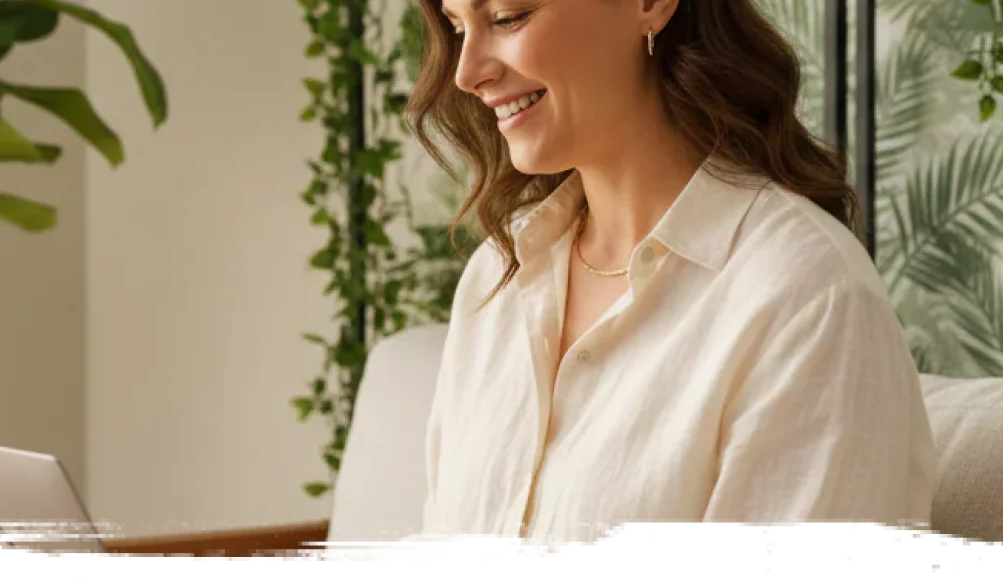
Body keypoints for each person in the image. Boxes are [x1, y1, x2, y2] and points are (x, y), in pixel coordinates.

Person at [390, 0, 938, 562]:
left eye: (508, 17)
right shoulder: (498, 277)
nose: (467, 71)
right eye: (458, 28)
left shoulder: (807, 296)